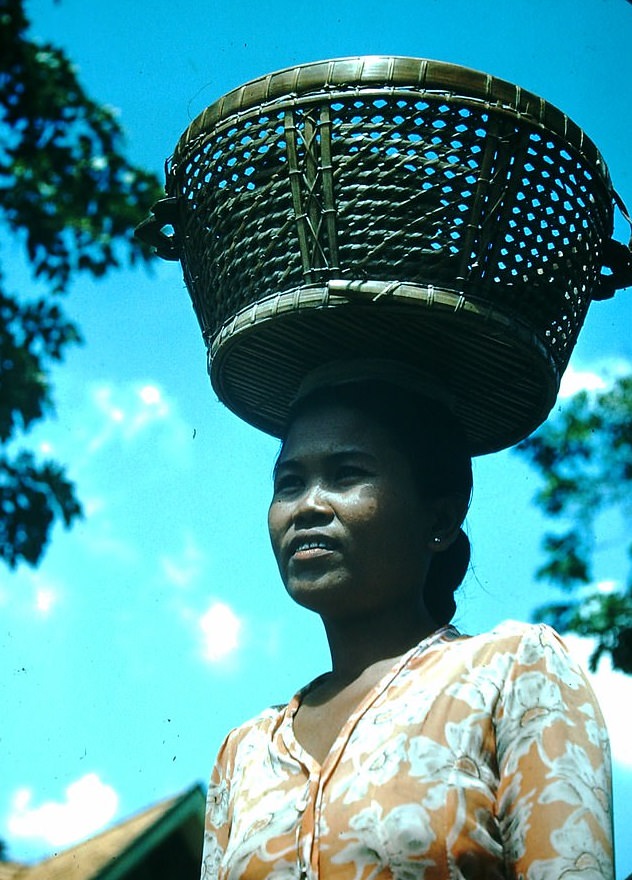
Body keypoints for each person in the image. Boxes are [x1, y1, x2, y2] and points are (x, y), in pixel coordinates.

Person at [200, 362, 614, 880]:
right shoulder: (245, 752)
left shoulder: (512, 674)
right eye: (289, 483)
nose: (307, 506)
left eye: (347, 474)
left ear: (439, 519)